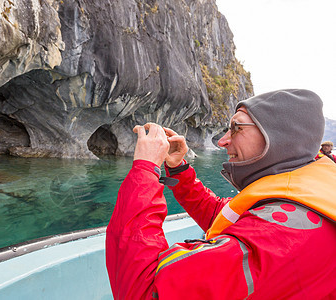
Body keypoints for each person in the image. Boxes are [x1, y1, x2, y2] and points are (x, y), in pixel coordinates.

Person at [106, 89, 336, 299]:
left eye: (237, 128)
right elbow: (224, 215)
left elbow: (145, 291)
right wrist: (179, 170)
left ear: (277, 138)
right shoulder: (303, 203)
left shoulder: (275, 237)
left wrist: (146, 169)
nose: (223, 141)